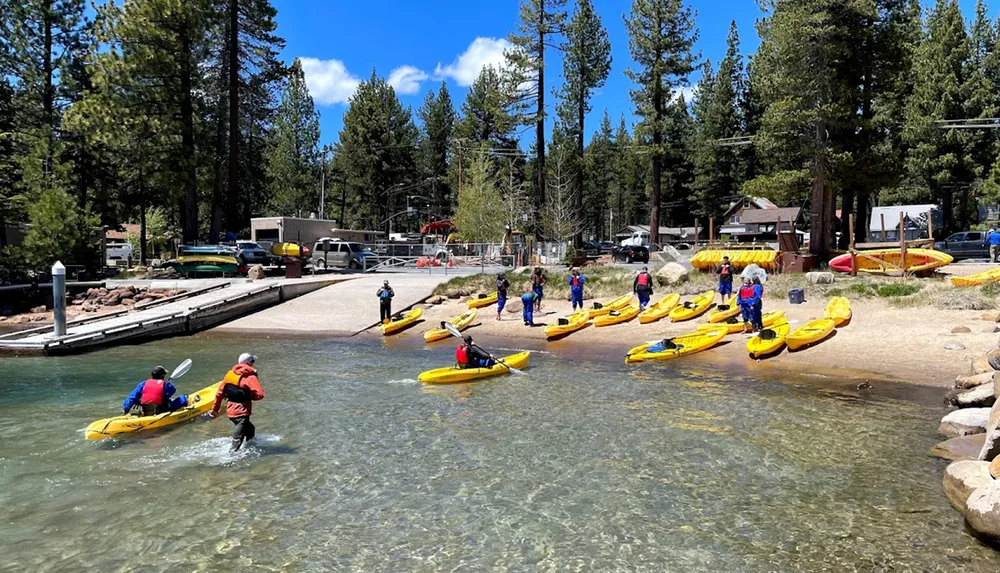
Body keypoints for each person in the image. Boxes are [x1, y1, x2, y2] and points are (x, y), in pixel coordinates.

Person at [210, 353, 265, 453]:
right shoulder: (250, 377)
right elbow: (260, 394)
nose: (253, 364)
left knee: (250, 429)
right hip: (242, 411)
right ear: (249, 363)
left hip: (230, 410)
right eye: (253, 361)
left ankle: (250, 446)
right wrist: (250, 396)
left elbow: (219, 394)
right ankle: (232, 455)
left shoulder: (229, 375)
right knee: (239, 432)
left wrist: (215, 410)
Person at [122, 365, 189, 416]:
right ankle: (187, 400)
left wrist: (126, 409)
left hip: (146, 410)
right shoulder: (166, 385)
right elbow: (172, 391)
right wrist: (165, 384)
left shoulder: (143, 384)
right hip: (161, 409)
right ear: (162, 376)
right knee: (183, 398)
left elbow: (132, 397)